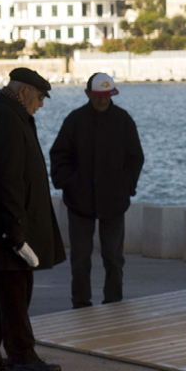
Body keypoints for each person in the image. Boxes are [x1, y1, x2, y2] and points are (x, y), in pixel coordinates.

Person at [0, 67, 66, 371]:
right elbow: (9, 178)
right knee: (14, 292)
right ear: (23, 93)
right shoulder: (6, 118)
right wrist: (16, 229)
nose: (41, 104)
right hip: (5, 226)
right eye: (39, 97)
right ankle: (21, 355)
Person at [50, 73, 144, 309]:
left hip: (114, 202)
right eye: (98, 96)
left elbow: (135, 158)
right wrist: (69, 183)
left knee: (113, 258)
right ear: (88, 94)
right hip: (79, 203)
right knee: (80, 259)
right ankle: (81, 304)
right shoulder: (74, 121)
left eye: (107, 96)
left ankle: (113, 302)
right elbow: (59, 155)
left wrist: (126, 187)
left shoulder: (124, 121)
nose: (103, 101)